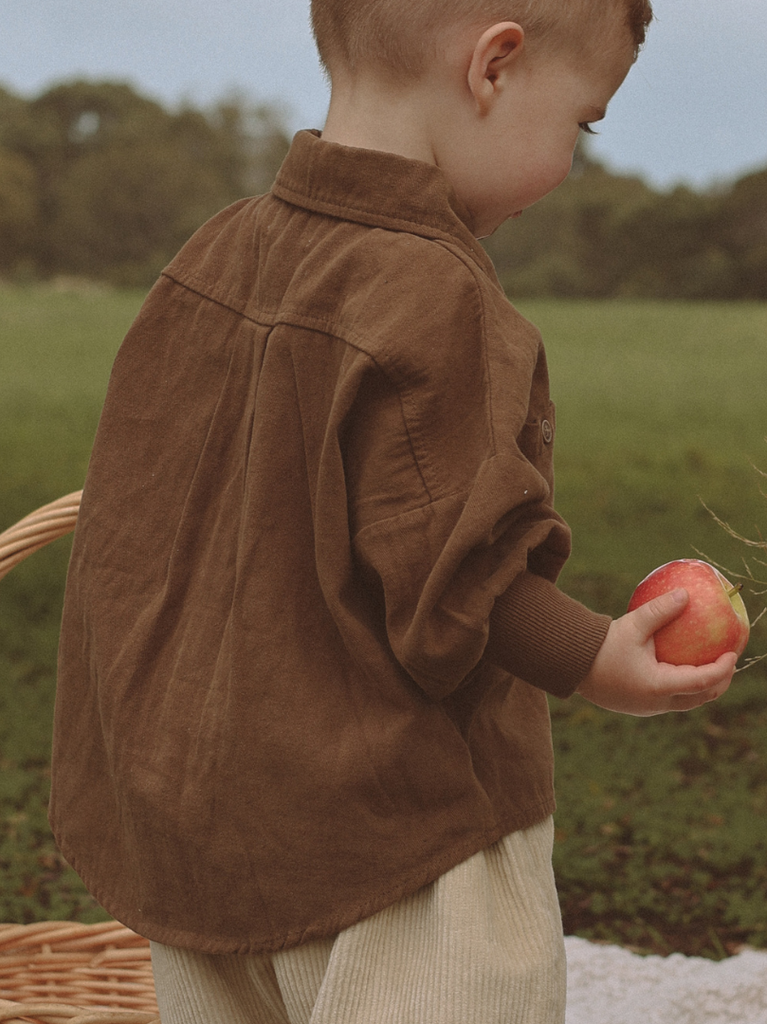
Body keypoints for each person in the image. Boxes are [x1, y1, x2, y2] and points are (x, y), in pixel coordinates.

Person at [49, 0, 738, 1020]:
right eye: (582, 125)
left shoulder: (210, 257)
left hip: (198, 842)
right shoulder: (433, 295)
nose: (571, 159)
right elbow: (459, 565)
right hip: (396, 849)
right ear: (493, 66)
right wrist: (591, 656)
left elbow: (133, 524)